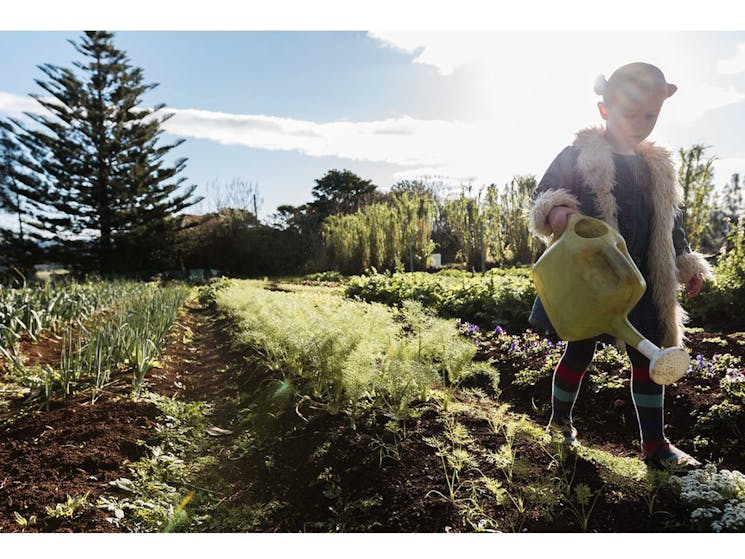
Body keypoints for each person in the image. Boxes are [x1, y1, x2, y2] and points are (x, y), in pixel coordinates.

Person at [527, 62, 712, 469]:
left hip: (642, 280)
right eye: (632, 114)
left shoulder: (656, 167)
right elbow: (544, 194)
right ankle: (560, 422)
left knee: (649, 358)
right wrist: (557, 212)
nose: (642, 123)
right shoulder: (580, 155)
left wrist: (686, 263)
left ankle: (656, 446)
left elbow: (670, 223)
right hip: (589, 280)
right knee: (578, 352)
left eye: (651, 115)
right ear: (605, 110)